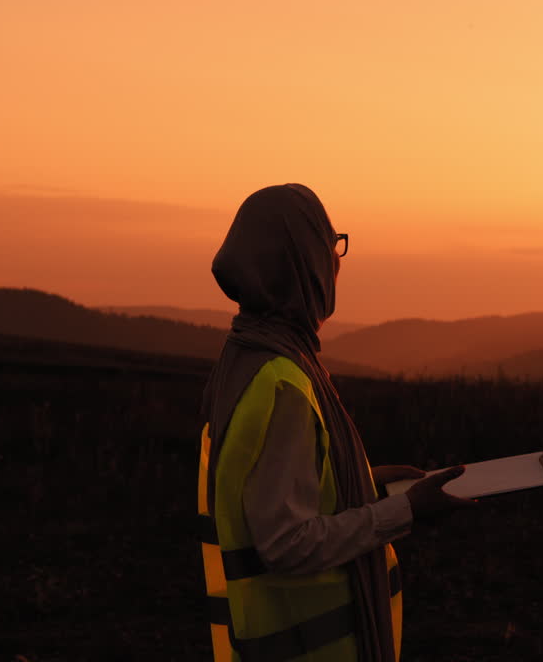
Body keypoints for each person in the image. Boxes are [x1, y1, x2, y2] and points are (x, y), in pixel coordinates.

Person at [196, 184, 474, 662]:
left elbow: (279, 488)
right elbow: (286, 543)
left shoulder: (247, 355)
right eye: (330, 245)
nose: (336, 262)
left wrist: (367, 481)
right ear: (302, 262)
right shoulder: (281, 381)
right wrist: (405, 512)